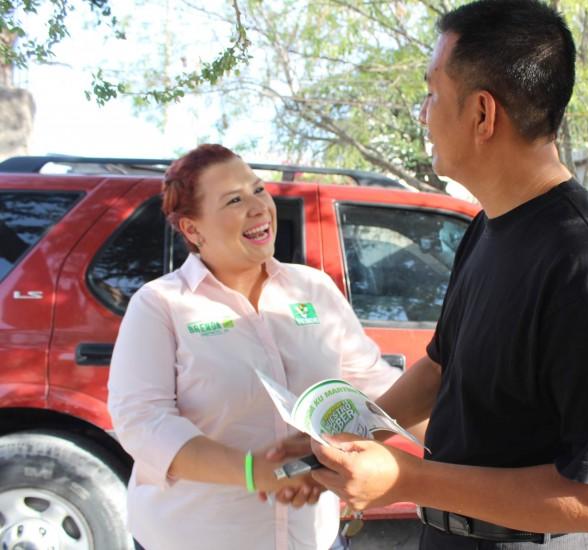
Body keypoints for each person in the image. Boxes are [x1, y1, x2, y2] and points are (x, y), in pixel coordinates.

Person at [307, 1, 588, 549]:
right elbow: (440, 367)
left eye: (432, 94)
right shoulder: (487, 227)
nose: (422, 115)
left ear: (481, 114)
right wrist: (342, 435)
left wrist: (407, 479)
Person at [107, 144, 400, 550]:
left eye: (258, 190)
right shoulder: (160, 304)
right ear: (192, 229)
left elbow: (371, 384)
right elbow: (143, 422)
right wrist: (253, 471)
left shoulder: (313, 288)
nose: (259, 207)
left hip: (312, 538)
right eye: (234, 200)